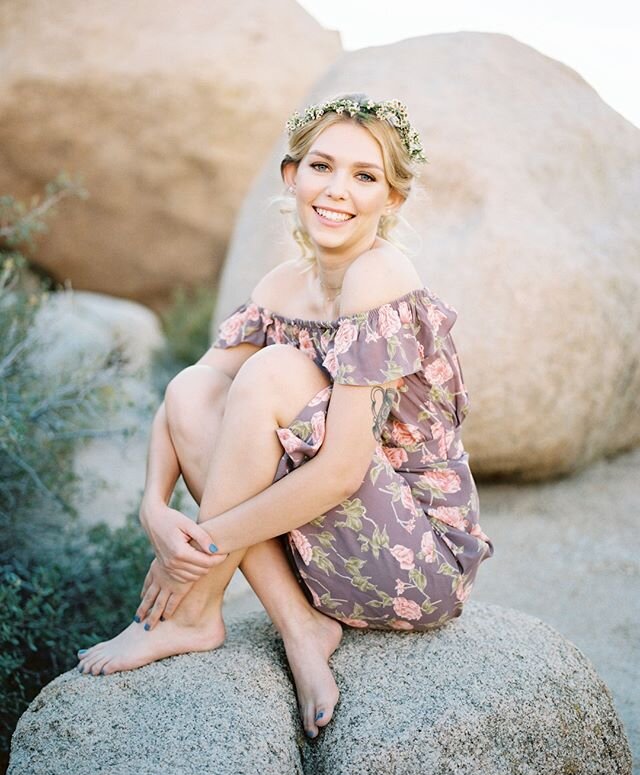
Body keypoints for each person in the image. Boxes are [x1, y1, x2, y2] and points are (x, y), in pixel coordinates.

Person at [76, 93, 494, 739]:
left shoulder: (381, 275)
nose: (337, 190)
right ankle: (299, 626)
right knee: (196, 385)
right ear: (290, 176)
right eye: (322, 166)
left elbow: (340, 471)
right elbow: (183, 400)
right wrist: (153, 507)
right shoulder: (280, 286)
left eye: (365, 176)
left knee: (270, 371)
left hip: (414, 563)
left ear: (393, 201)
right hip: (321, 552)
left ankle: (191, 608)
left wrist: (198, 547)